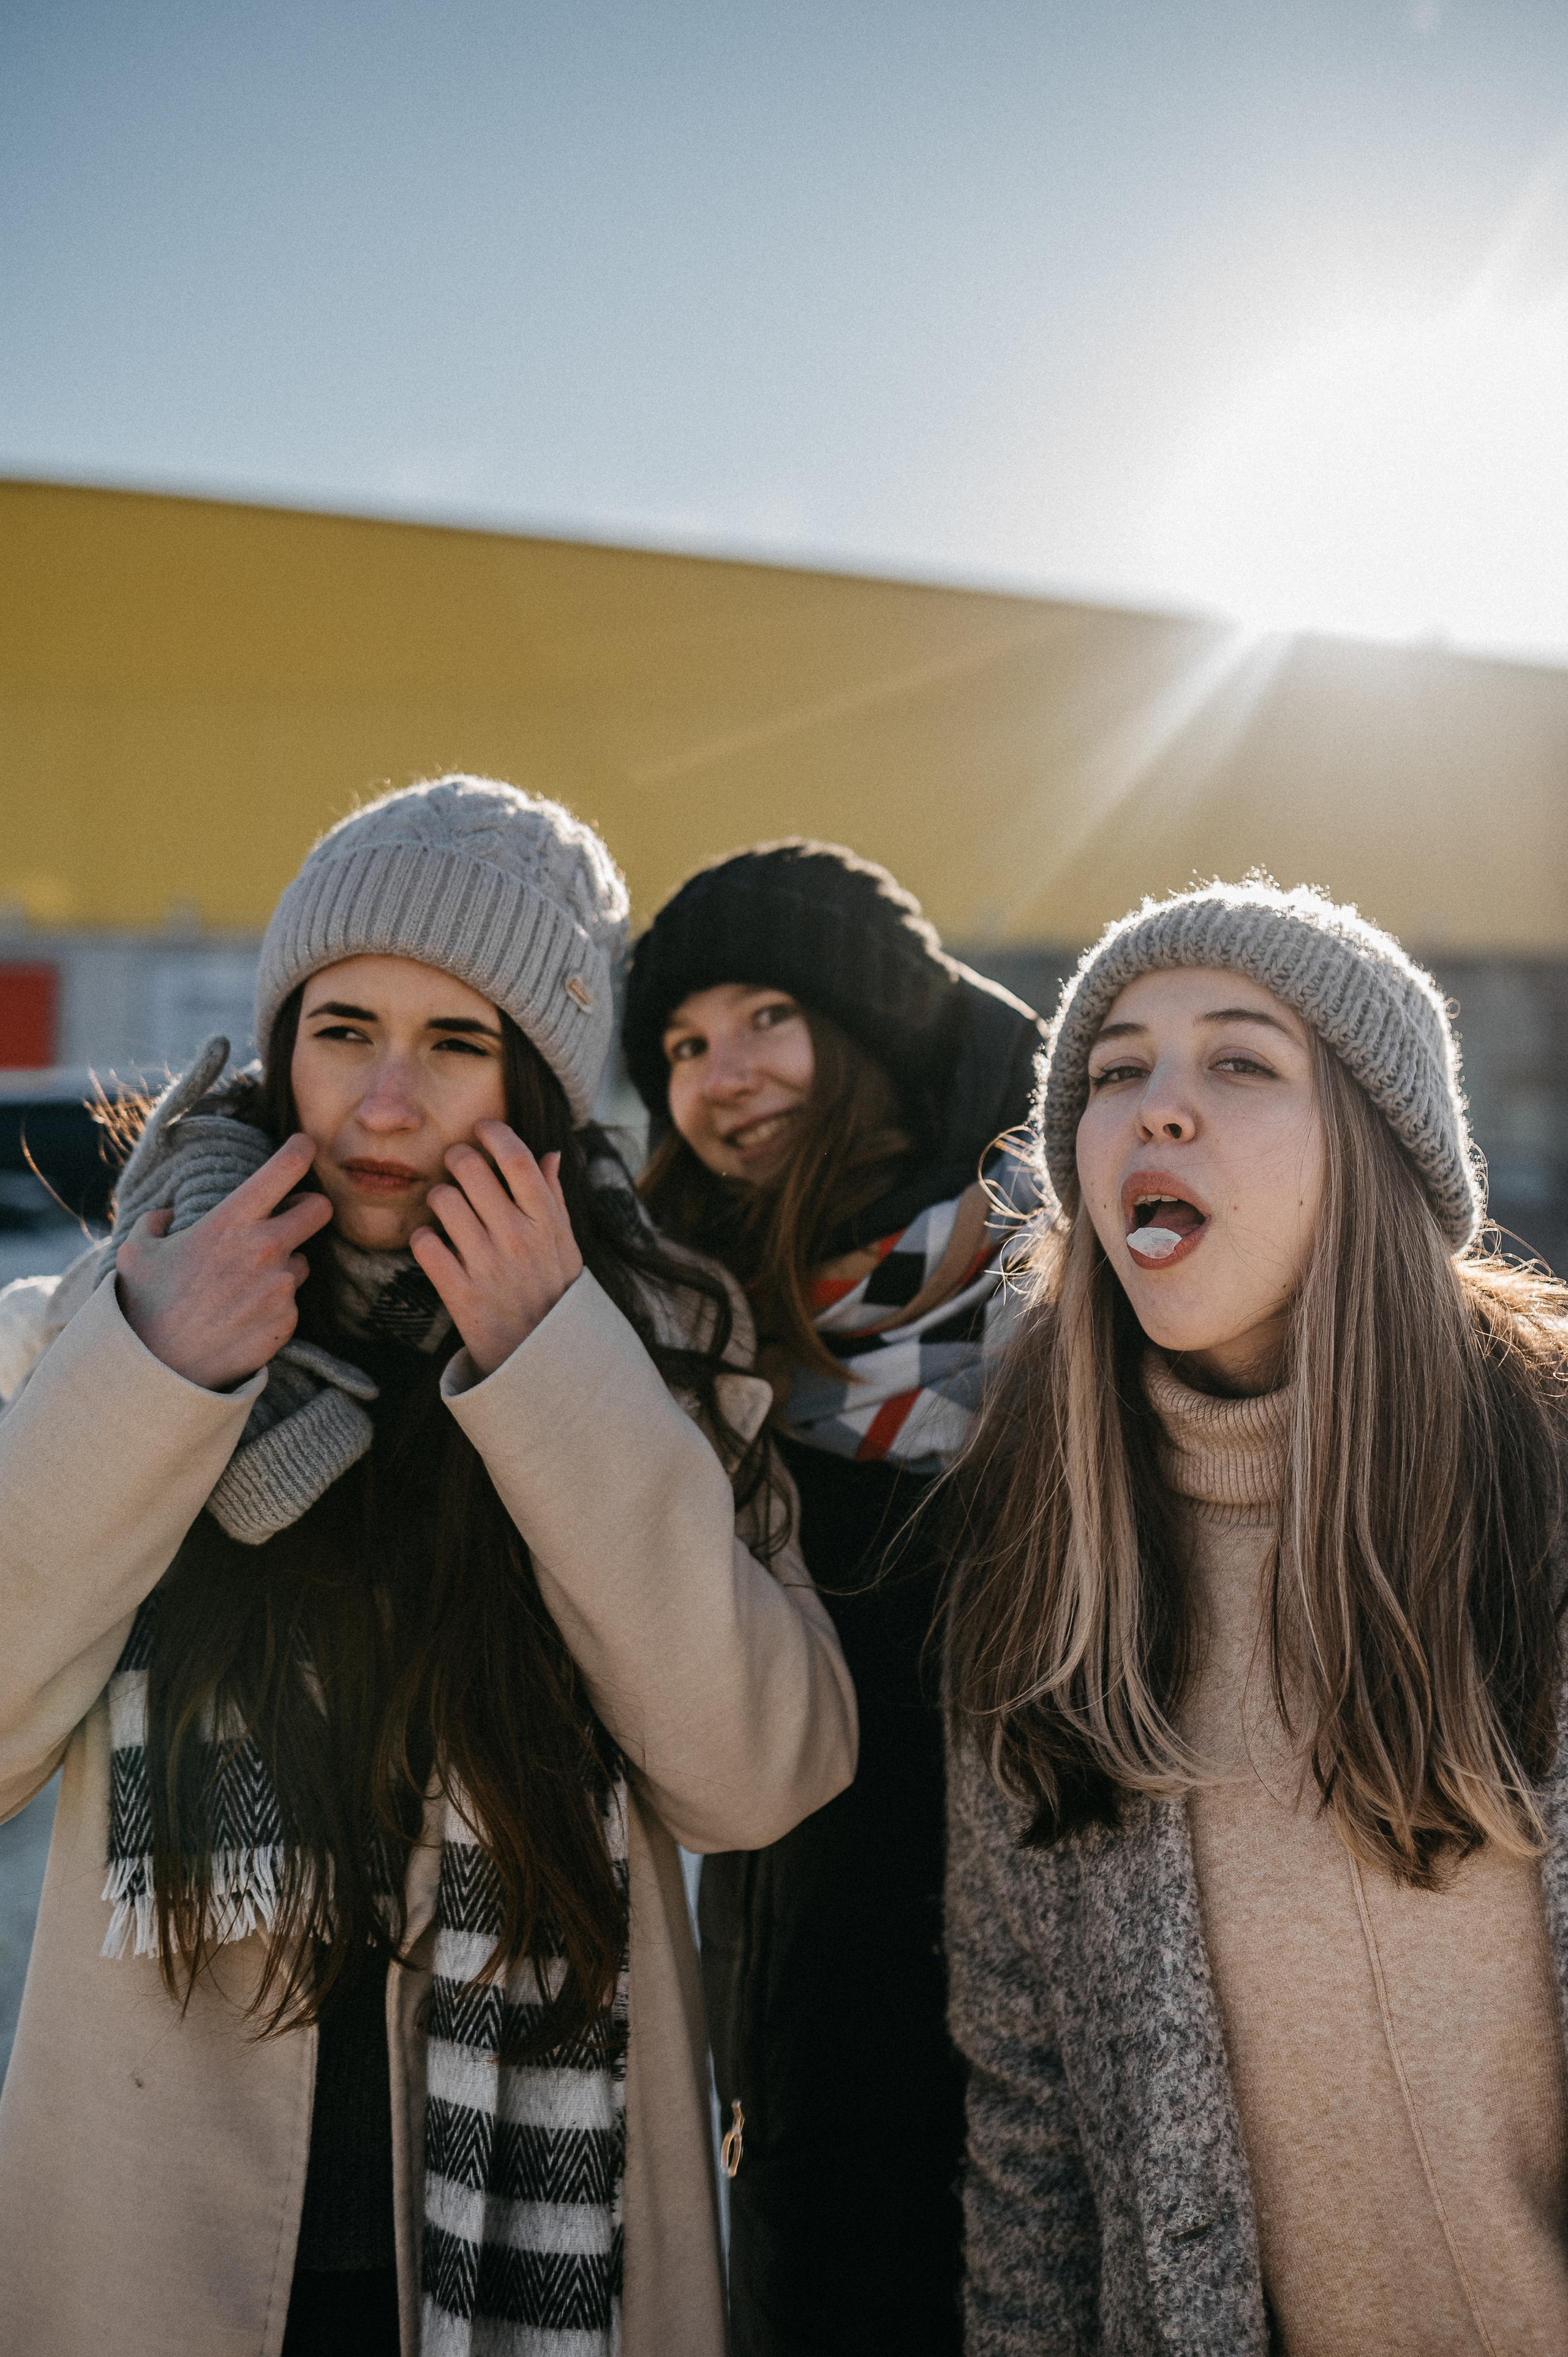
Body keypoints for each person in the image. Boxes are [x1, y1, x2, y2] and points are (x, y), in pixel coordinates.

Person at [0, 777, 857, 2357]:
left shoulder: (663, 1339)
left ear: (539, 1086)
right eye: (343, 1031)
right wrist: (159, 1373)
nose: (384, 1105)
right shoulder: (105, 1317)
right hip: (155, 2248)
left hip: (535, 2259)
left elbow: (755, 1776)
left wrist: (555, 1365)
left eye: (456, 1044)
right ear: (283, 1046)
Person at [944, 879, 1568, 2357]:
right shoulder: (1038, 1566)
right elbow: (1027, 2132)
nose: (1155, 1106)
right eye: (1113, 1073)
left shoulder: (1544, 1485)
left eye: (1238, 1060)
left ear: (1374, 1149)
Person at [621, 839, 1046, 2357]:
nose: (721, 1075)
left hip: (1072, 2012)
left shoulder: (1086, 1294)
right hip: (811, 2027)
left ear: (869, 1027)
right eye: (681, 1047)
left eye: (764, 1017)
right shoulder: (689, 1330)